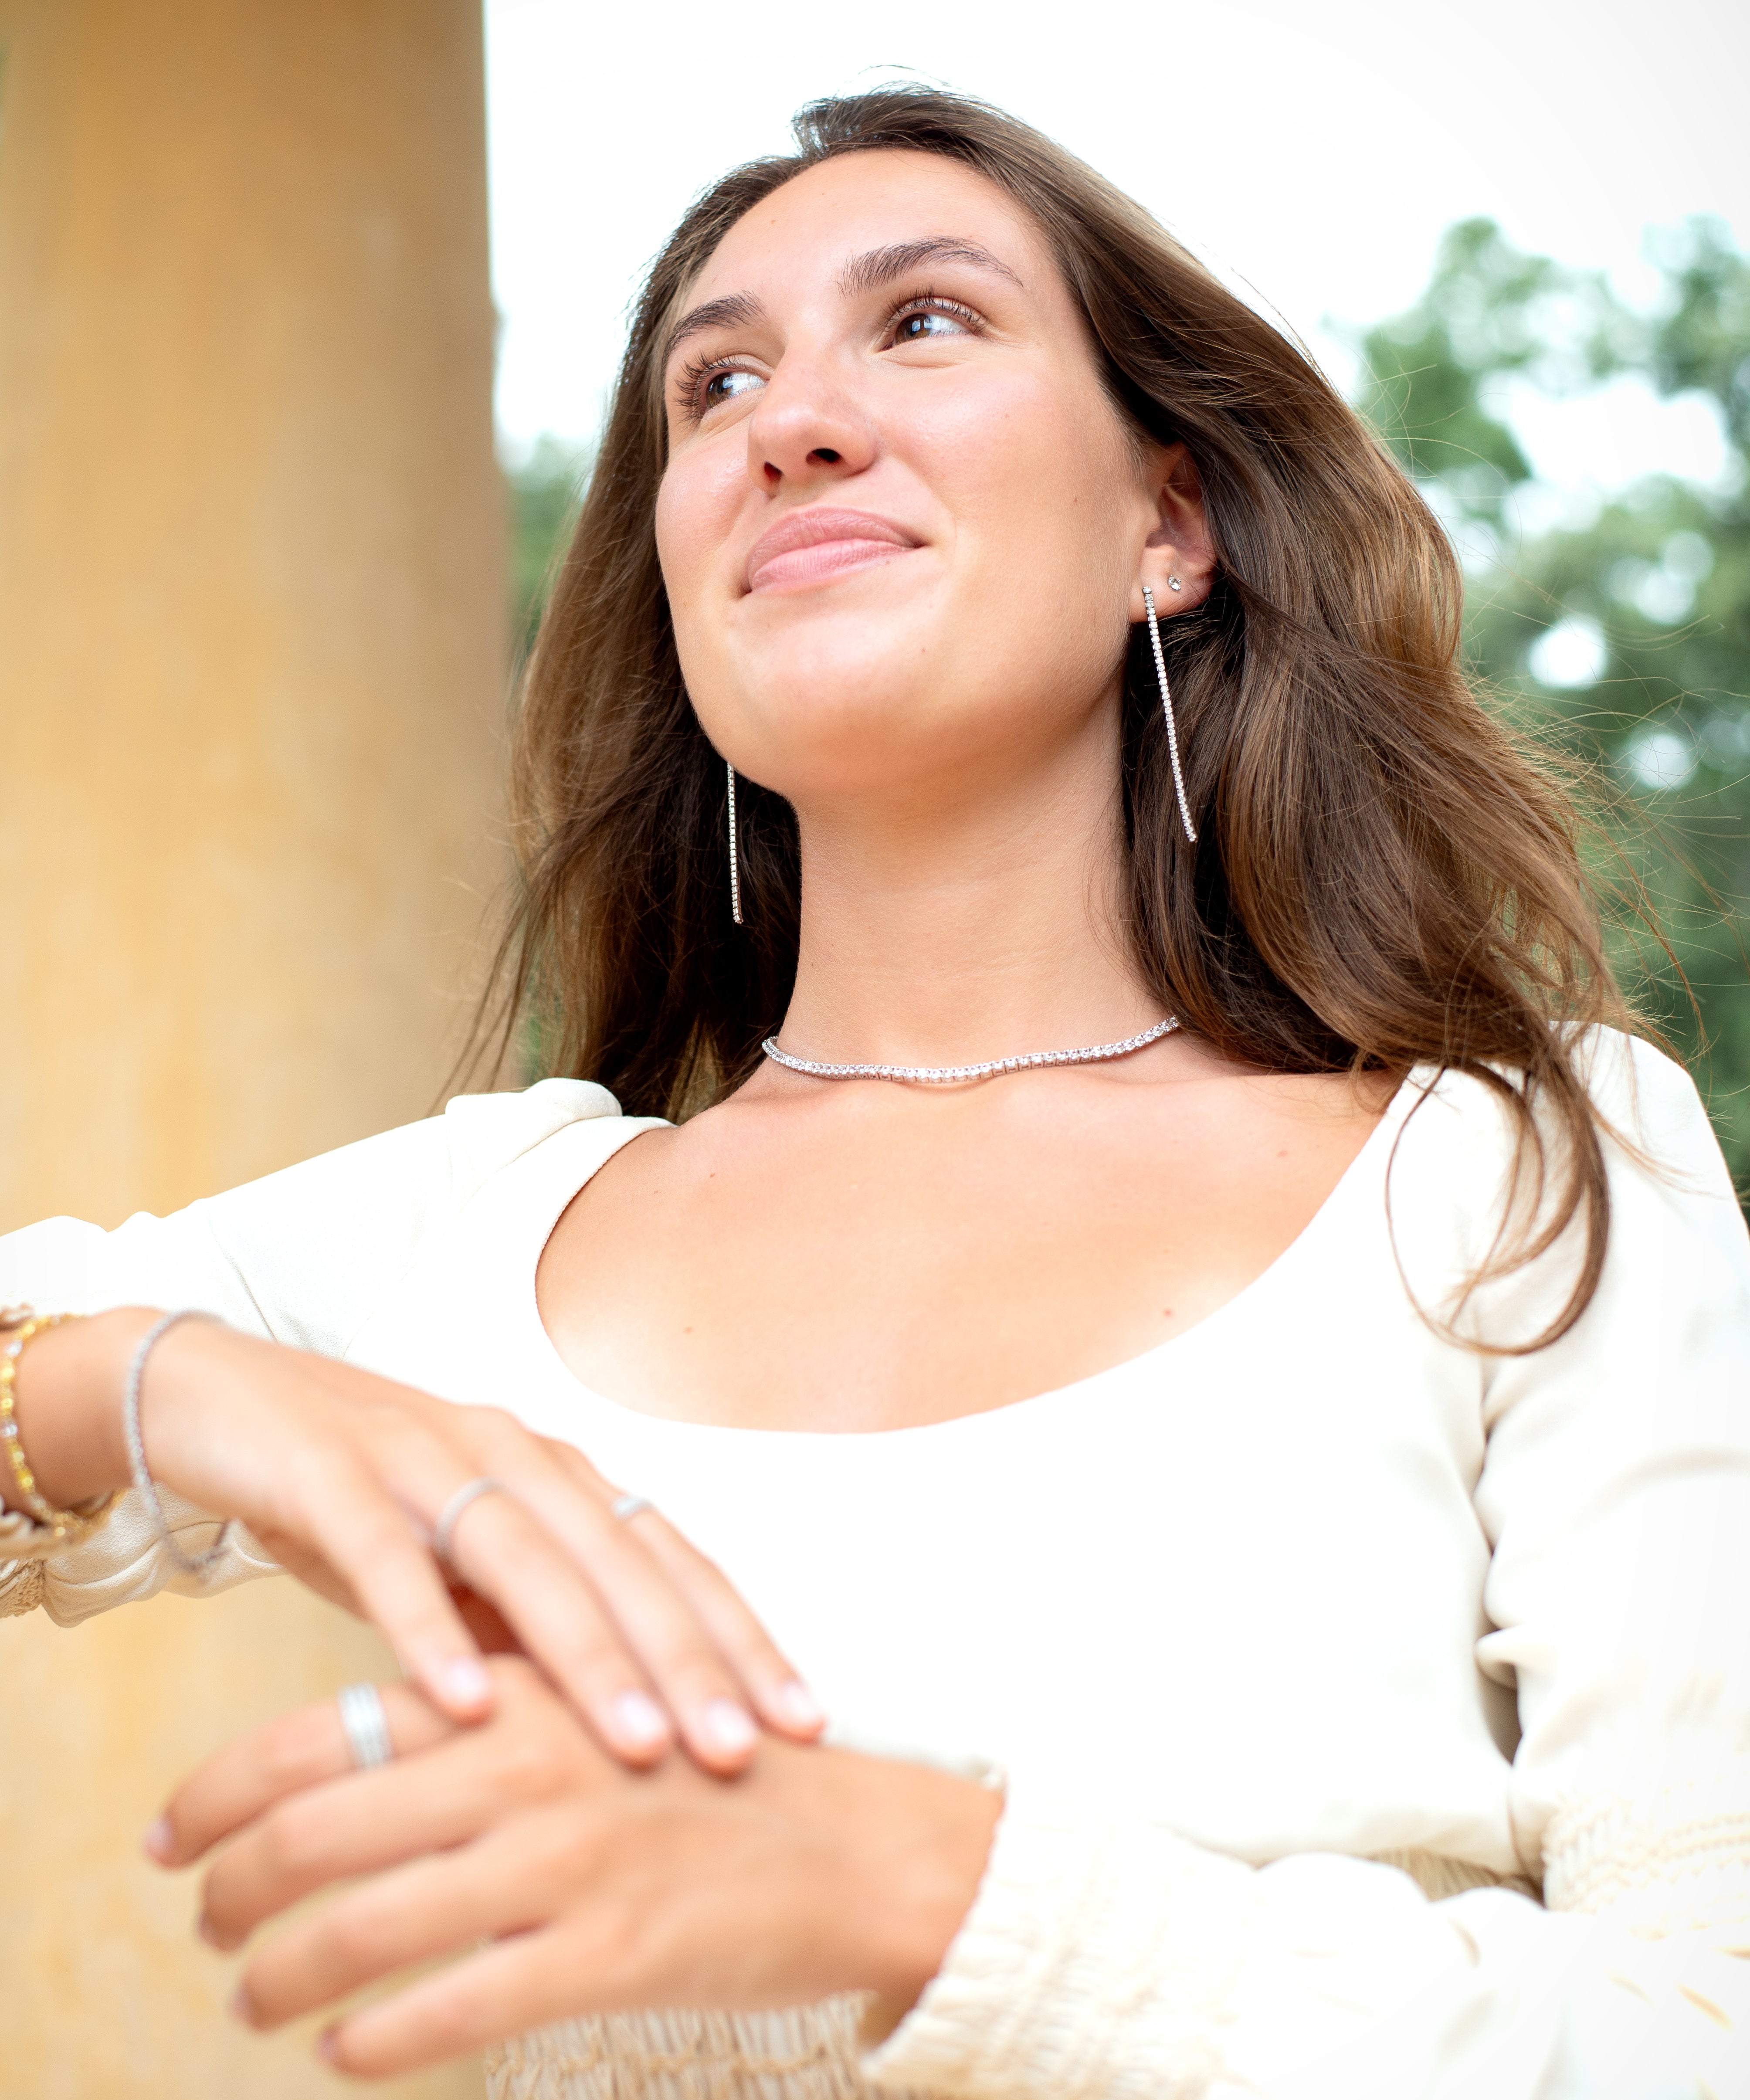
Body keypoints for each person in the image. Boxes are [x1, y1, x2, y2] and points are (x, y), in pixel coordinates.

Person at [4, 84, 1747, 2100]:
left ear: (1165, 525)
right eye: (711, 382)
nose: (787, 421)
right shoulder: (471, 1229)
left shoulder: (1521, 1173)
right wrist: (159, 1374)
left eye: (922, 323)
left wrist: (932, 1891)